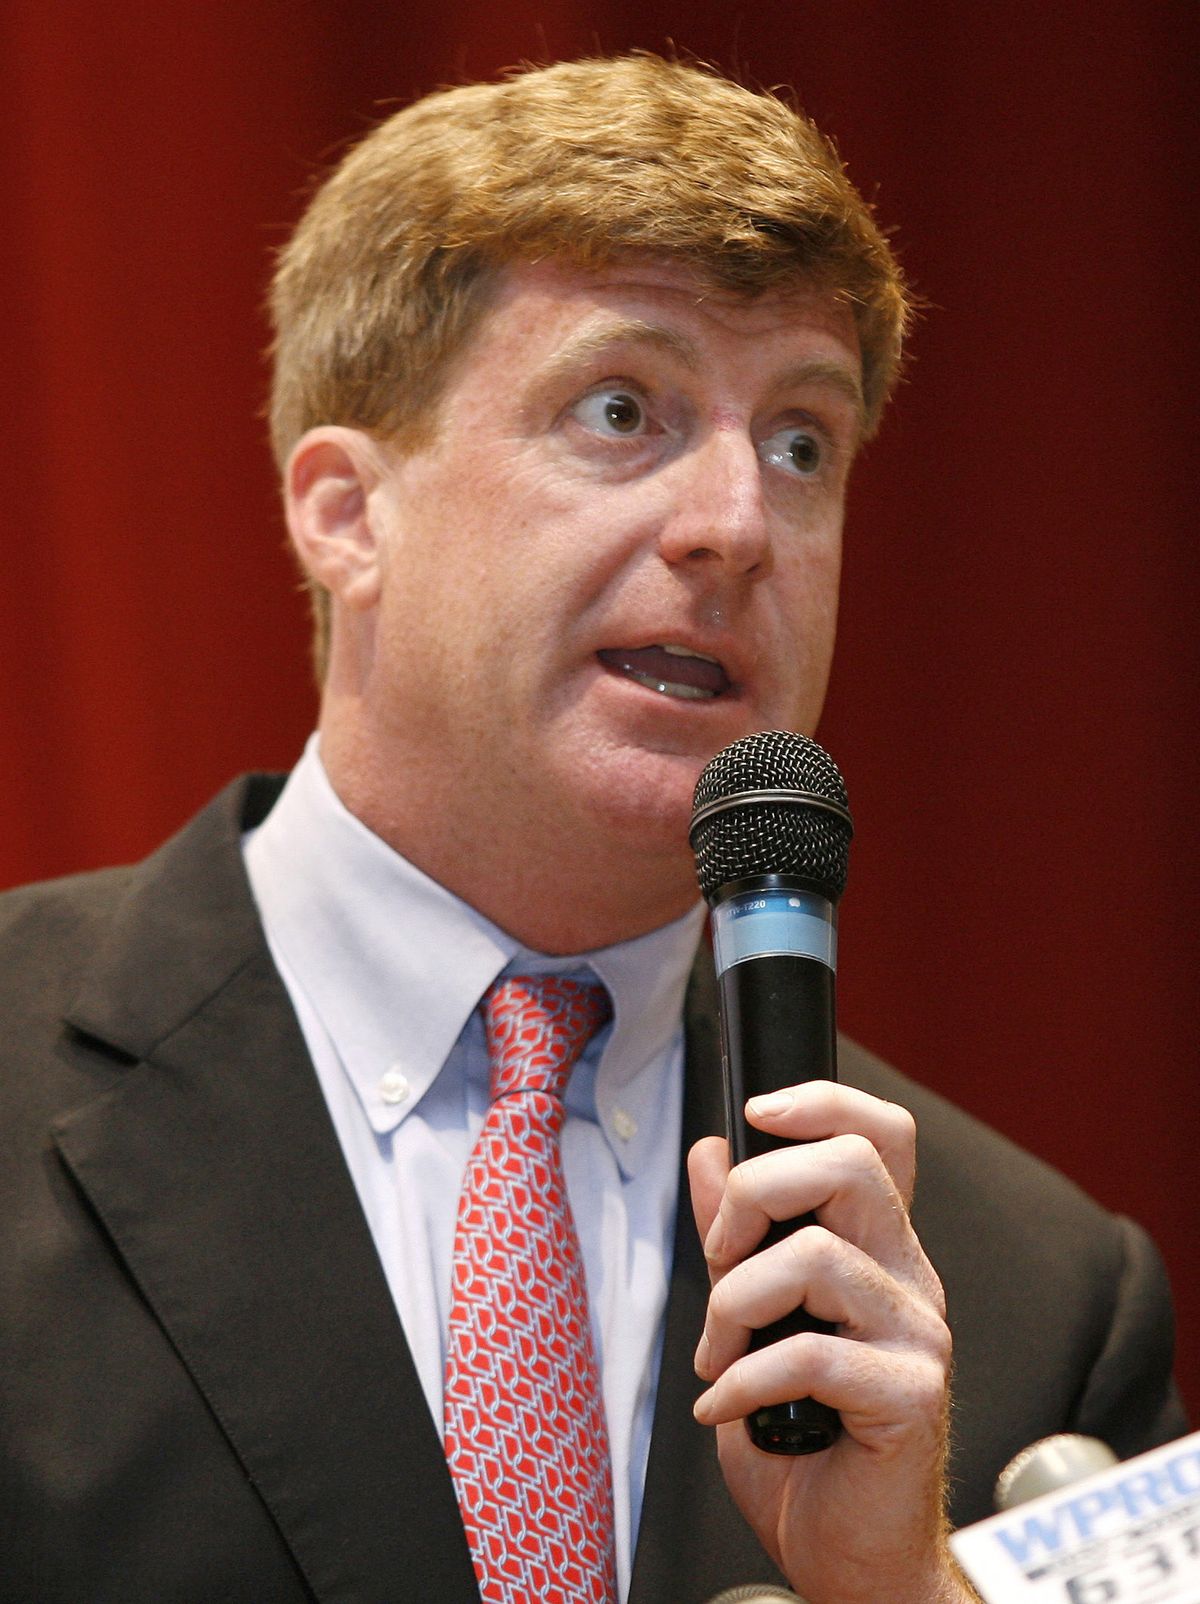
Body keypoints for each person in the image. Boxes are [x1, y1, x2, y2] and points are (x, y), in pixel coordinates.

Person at [0, 53, 1183, 1604]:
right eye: (623, 410)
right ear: (348, 512)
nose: (738, 525)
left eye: (803, 442)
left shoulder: (1025, 1302)